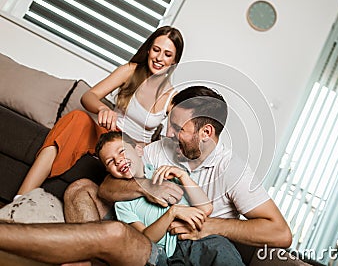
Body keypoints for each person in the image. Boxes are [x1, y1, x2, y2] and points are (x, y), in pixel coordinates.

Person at [0, 86, 292, 265]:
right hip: (139, 227)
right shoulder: (161, 149)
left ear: (206, 132)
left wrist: (209, 226)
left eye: (178, 128)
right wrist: (145, 189)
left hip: (176, 246)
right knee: (80, 187)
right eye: (169, 123)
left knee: (116, 234)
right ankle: (83, 260)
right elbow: (107, 189)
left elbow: (280, 232)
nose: (168, 133)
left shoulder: (233, 169)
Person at [14, 25, 184, 199]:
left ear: (174, 62)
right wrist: (103, 108)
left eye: (167, 54)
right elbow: (89, 96)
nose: (159, 58)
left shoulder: (172, 97)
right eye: (156, 50)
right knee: (77, 118)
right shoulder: (130, 70)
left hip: (133, 148)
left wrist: (145, 146)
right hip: (108, 135)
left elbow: (176, 138)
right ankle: (20, 199)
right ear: (148, 50)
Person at [97, 131, 244, 265]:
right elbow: (145, 239)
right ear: (108, 171)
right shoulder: (121, 204)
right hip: (170, 256)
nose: (118, 161)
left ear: (138, 150)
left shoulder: (164, 173)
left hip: (200, 240)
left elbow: (206, 208)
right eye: (110, 161)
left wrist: (183, 176)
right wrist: (172, 212)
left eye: (122, 151)